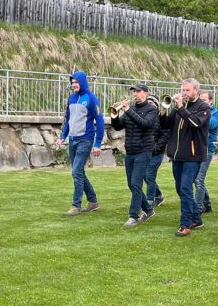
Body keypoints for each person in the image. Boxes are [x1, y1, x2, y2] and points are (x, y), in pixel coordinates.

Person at [161, 78, 211, 236]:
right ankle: (197, 218)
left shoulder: (203, 107)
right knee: (180, 189)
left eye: (188, 90)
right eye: (183, 90)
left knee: (185, 188)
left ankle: (186, 223)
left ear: (196, 90)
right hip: (177, 155)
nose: (184, 93)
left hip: (193, 156)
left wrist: (181, 107)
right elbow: (165, 125)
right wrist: (163, 111)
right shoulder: (178, 107)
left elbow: (195, 123)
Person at [111, 83, 159, 226]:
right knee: (131, 185)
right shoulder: (131, 109)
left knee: (136, 183)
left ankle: (134, 216)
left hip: (144, 151)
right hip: (130, 151)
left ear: (145, 93)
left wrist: (128, 110)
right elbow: (118, 126)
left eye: (138, 91)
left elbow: (145, 124)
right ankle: (148, 210)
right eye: (134, 92)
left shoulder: (152, 110)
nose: (135, 94)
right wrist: (115, 114)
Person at [55, 71, 103, 216]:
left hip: (85, 140)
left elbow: (100, 121)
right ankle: (93, 201)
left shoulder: (92, 98)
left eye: (76, 82)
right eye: (72, 82)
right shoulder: (71, 98)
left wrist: (98, 143)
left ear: (82, 82)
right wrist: (63, 136)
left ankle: (76, 205)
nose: (74, 85)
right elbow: (68, 120)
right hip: (72, 140)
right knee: (79, 171)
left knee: (76, 172)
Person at [193, 90, 218, 214]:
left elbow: (210, 125)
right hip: (196, 147)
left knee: (199, 179)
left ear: (211, 101)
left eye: (204, 100)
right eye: (200, 100)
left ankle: (197, 208)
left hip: (207, 149)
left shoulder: (217, 113)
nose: (201, 102)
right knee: (196, 179)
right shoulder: (198, 111)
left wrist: (201, 114)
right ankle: (207, 204)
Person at [145, 95, 168, 207]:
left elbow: (165, 135)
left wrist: (155, 148)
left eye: (152, 102)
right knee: (145, 175)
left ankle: (149, 200)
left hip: (156, 152)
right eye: (147, 102)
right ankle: (158, 195)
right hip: (145, 151)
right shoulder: (144, 116)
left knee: (149, 175)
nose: (149, 104)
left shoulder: (161, 117)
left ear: (157, 105)